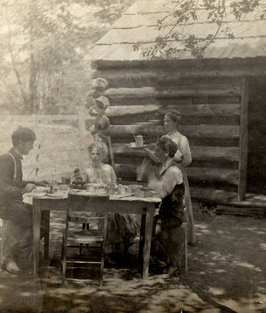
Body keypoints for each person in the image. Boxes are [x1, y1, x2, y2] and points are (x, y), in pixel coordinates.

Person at [0, 127, 46, 274]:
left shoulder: (16, 160)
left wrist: (36, 182)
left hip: (15, 203)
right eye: (30, 143)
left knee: (43, 217)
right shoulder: (6, 159)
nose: (32, 147)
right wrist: (22, 190)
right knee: (35, 223)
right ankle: (13, 256)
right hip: (6, 205)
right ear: (21, 143)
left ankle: (24, 254)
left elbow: (14, 182)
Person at [83, 142, 139, 257]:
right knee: (110, 216)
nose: (95, 156)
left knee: (122, 214)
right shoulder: (86, 170)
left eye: (98, 154)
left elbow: (115, 185)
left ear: (103, 155)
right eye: (92, 154)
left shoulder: (108, 168)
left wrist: (114, 187)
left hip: (112, 201)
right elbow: (83, 188)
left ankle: (122, 245)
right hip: (95, 204)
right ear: (89, 155)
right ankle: (109, 250)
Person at [146, 137, 185, 279]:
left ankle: (173, 264)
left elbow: (161, 193)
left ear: (166, 152)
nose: (155, 153)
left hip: (174, 215)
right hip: (166, 212)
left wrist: (151, 179)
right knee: (147, 226)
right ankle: (160, 259)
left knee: (156, 229)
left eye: (157, 150)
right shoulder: (165, 167)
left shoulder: (173, 171)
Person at [161, 110, 196, 245]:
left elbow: (187, 161)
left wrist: (176, 156)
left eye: (168, 121)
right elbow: (159, 157)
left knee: (179, 205)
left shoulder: (182, 139)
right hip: (165, 173)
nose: (165, 124)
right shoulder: (163, 138)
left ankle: (184, 237)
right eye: (164, 121)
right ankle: (164, 236)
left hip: (177, 175)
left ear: (176, 122)